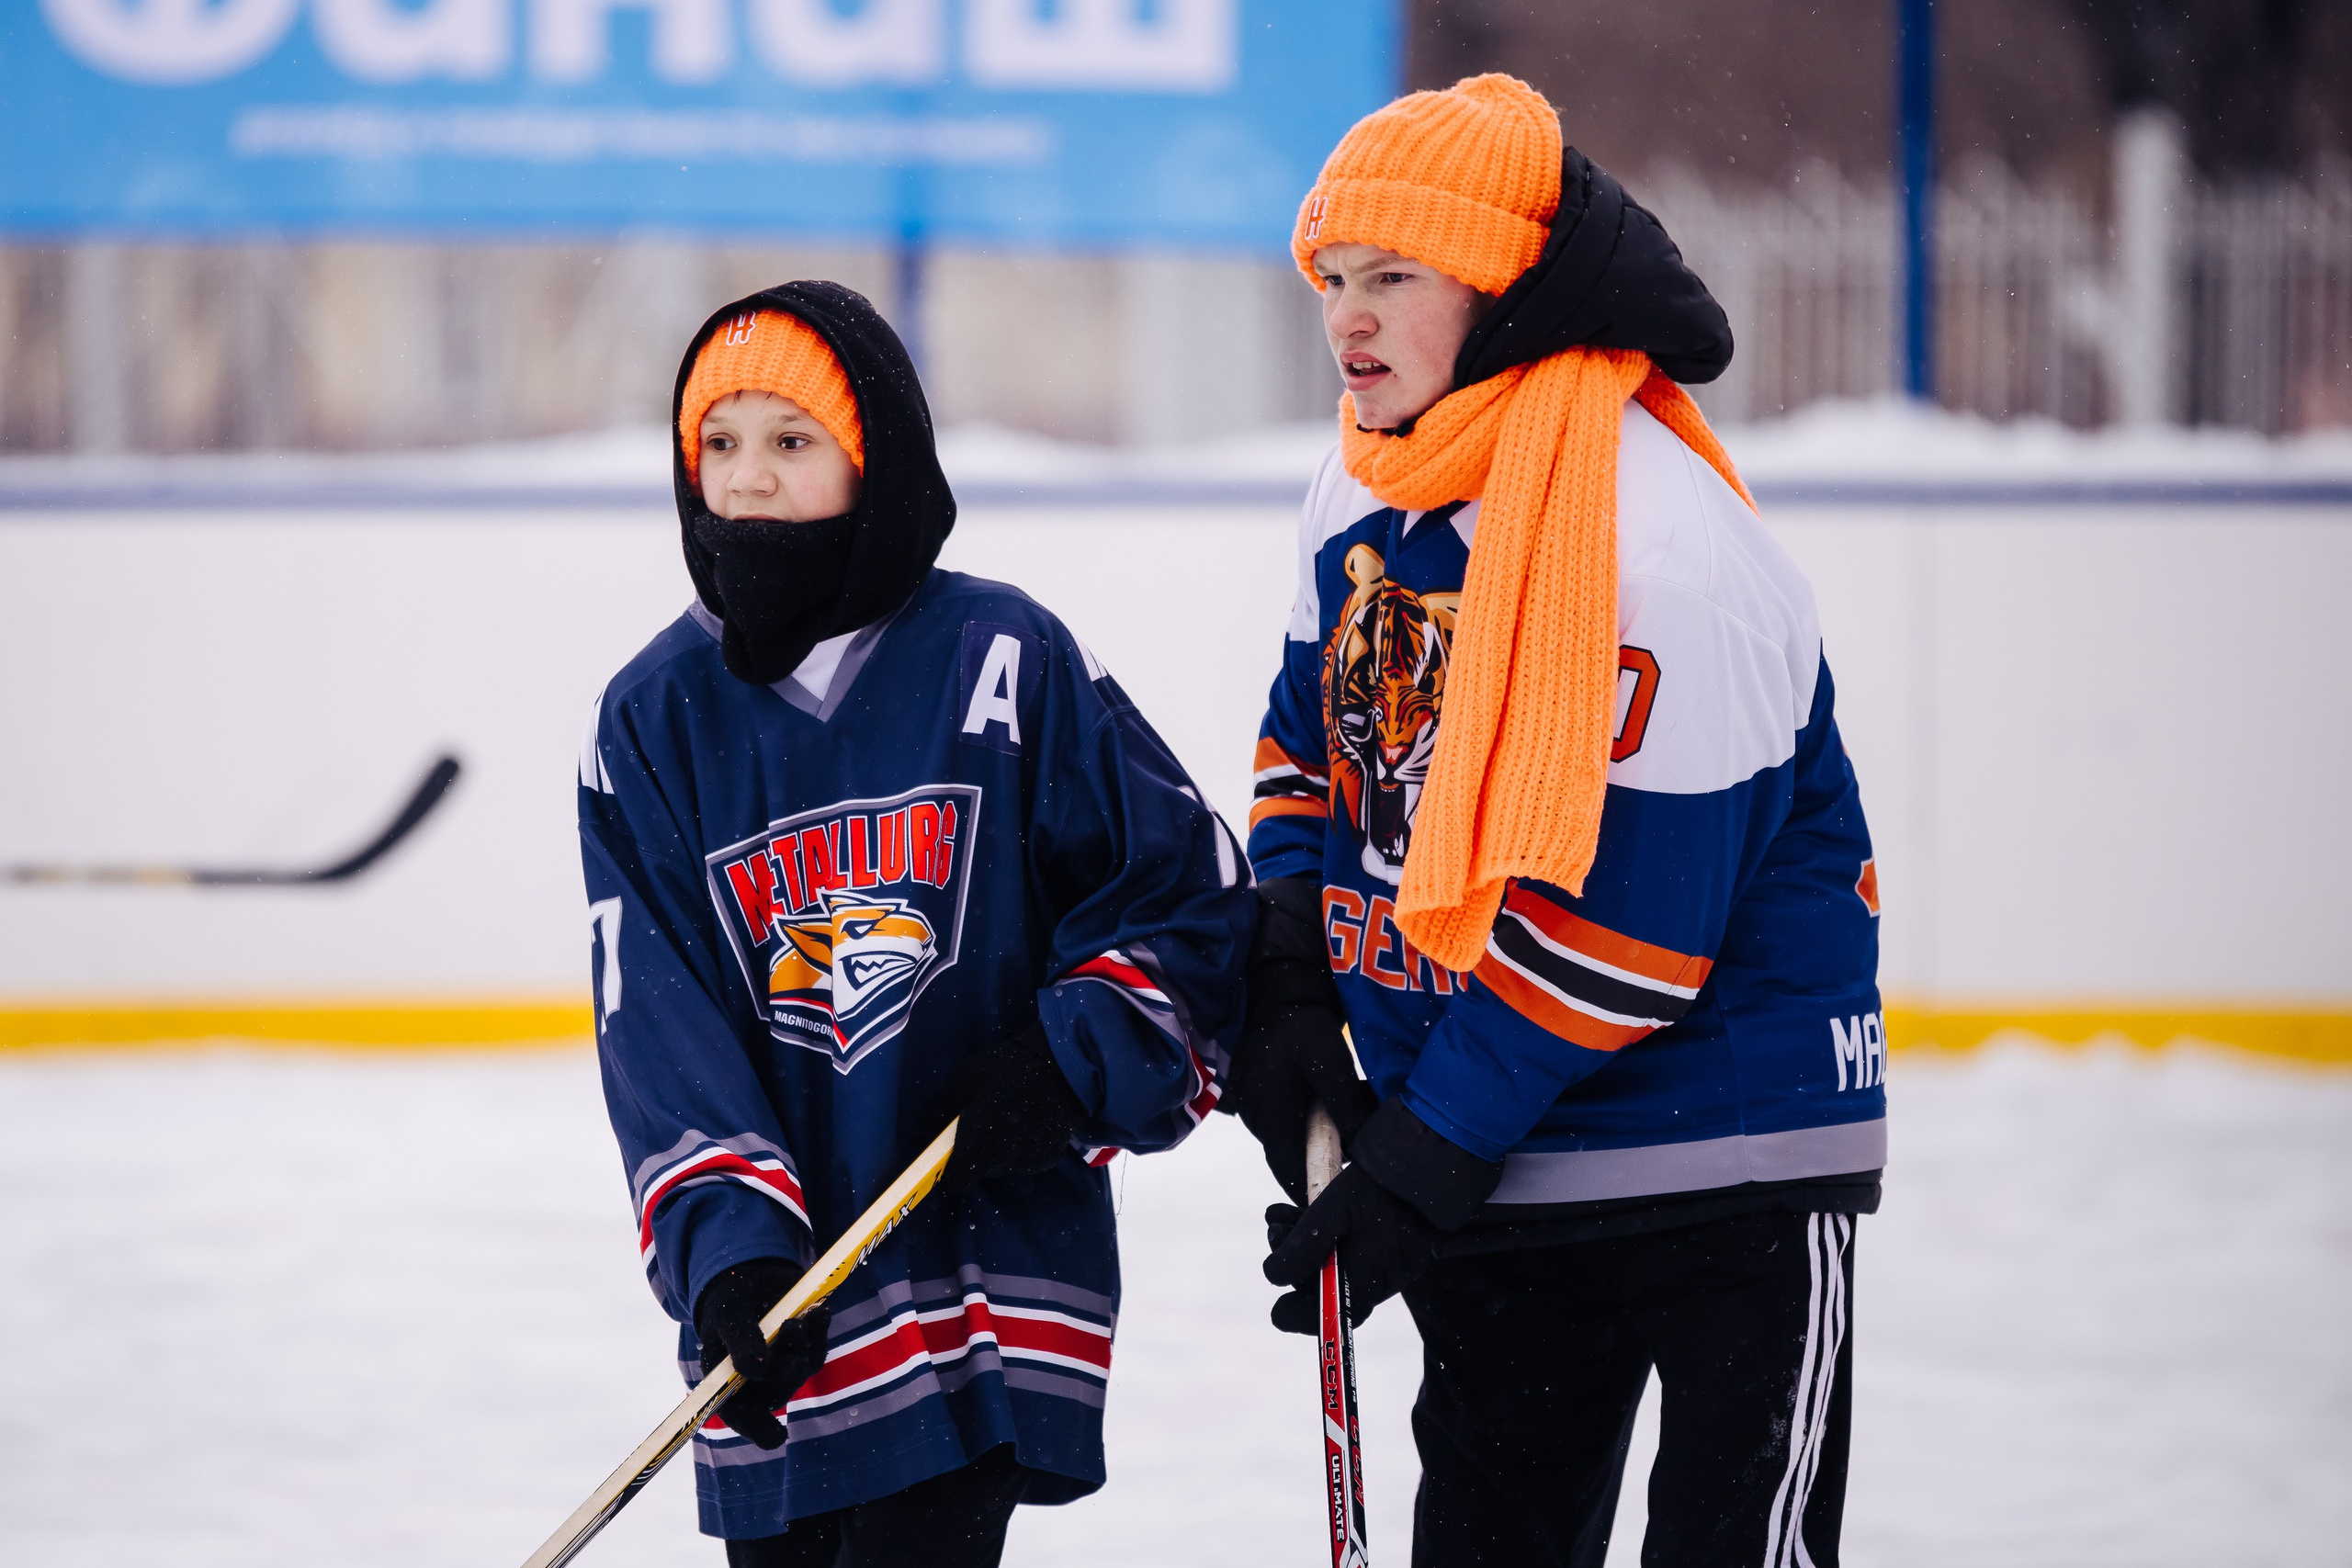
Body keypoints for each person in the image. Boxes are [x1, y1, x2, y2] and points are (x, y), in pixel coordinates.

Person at [1223, 76, 1886, 1567]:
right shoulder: (1362, 478)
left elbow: (1638, 934)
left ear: (1506, 284)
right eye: (1334, 278)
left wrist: (1418, 1162)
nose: (1350, 319)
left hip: (1725, 1168)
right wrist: (1283, 962)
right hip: (1500, 1154)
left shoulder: (1666, 539)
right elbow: (1305, 746)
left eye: (1396, 277)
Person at [578, 281, 1253, 1565]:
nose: (751, 480)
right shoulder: (651, 720)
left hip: (971, 1276)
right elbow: (656, 1030)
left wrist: (1071, 1059)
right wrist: (733, 1255)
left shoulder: (999, 656)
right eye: (719, 443)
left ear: (872, 456)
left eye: (792, 440)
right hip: (785, 1308)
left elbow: (1184, 892)